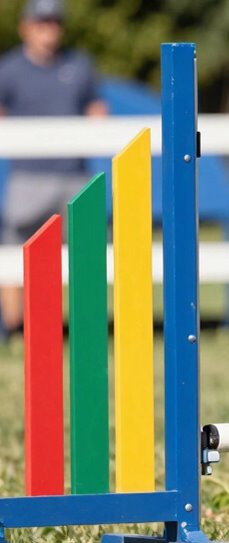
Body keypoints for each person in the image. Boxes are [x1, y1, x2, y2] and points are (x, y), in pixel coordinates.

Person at [0, 0, 107, 337]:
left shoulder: (79, 64)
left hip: (75, 178)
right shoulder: (10, 69)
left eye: (55, 23)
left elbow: (96, 109)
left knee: (83, 255)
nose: (49, 30)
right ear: (26, 27)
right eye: (42, 23)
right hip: (28, 179)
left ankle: (81, 328)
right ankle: (13, 330)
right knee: (14, 252)